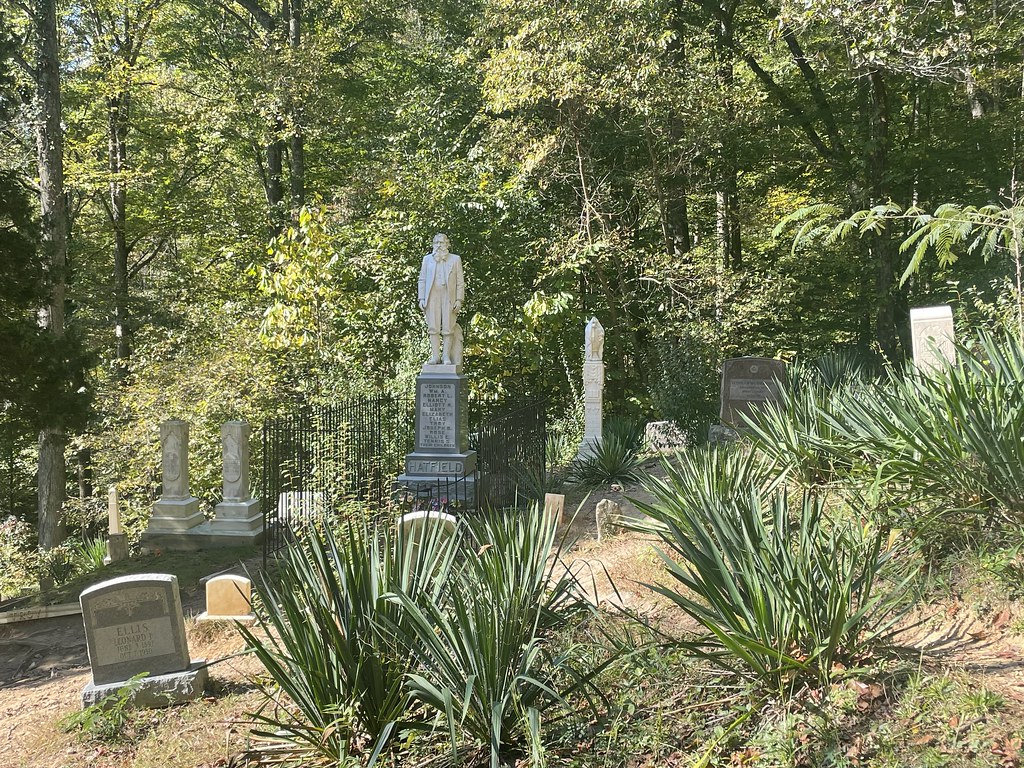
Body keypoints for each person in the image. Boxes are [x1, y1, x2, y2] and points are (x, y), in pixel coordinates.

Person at [417, 233, 464, 365]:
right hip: (432, 296)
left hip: (449, 296)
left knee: (448, 327)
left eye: (442, 243)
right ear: (433, 245)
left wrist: (459, 300)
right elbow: (422, 279)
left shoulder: (455, 259)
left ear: (447, 244)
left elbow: (460, 282)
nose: (439, 245)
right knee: (433, 327)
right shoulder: (427, 260)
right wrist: (421, 298)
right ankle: (435, 356)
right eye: (436, 243)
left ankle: (446, 357)